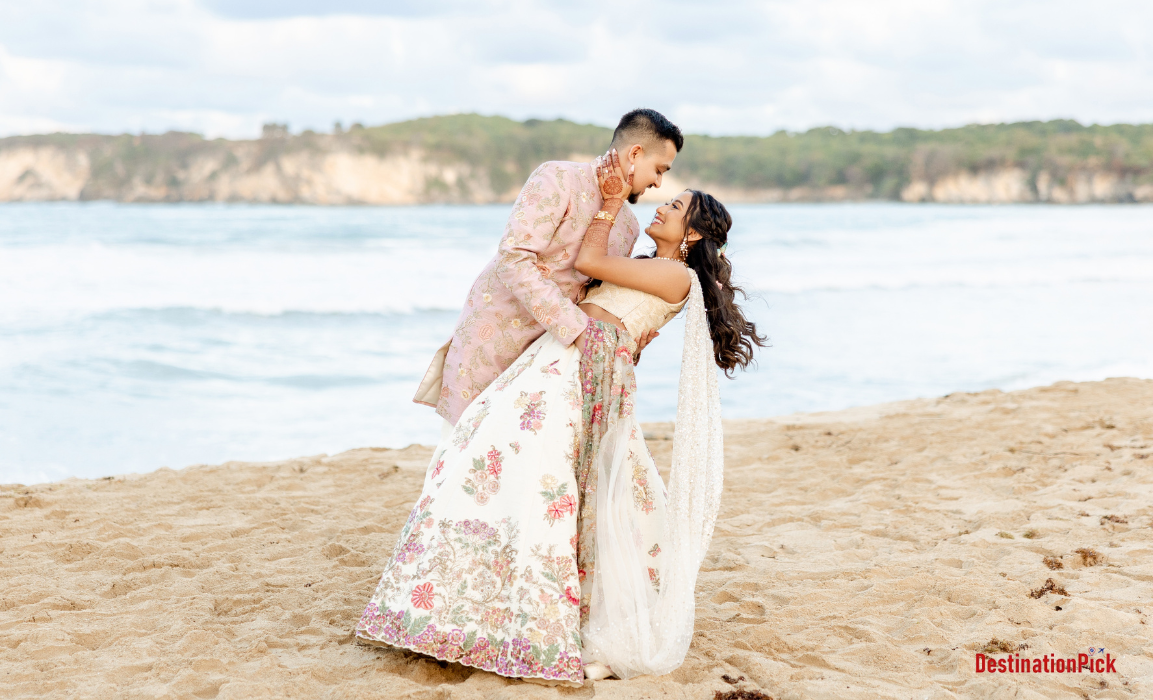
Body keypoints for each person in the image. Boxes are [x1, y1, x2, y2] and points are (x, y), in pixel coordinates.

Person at [354, 147, 768, 684]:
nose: (662, 205)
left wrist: (611, 202)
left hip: (580, 369)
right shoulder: (648, 265)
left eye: (677, 204)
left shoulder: (678, 280)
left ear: (691, 233)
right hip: (563, 358)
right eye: (665, 191)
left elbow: (590, 265)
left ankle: (534, 614)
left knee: (537, 478)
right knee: (488, 460)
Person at [412, 108, 683, 432]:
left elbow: (593, 296)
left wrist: (623, 344)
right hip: (495, 337)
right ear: (635, 154)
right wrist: (580, 331)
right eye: (659, 169)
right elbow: (513, 259)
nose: (658, 181)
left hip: (552, 357)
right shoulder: (557, 178)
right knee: (463, 459)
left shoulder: (627, 226)